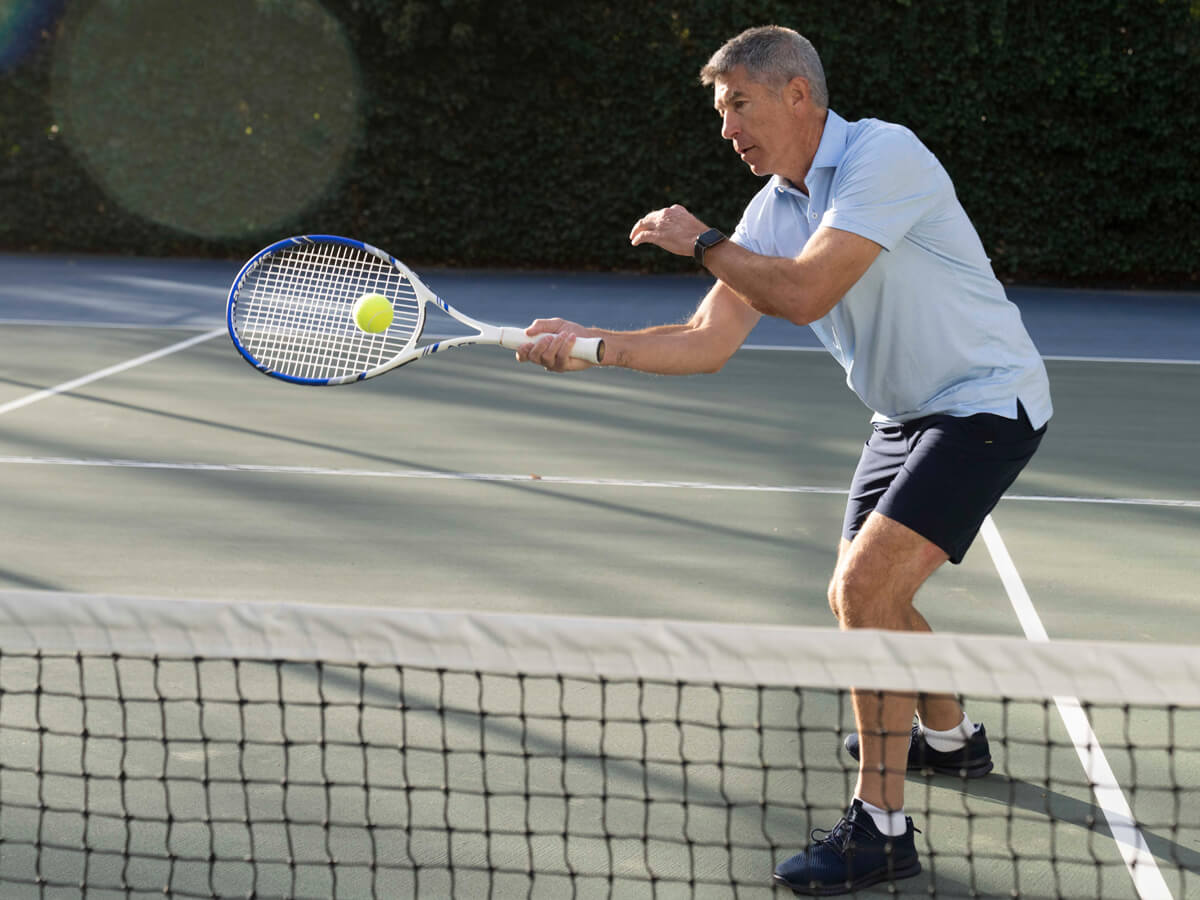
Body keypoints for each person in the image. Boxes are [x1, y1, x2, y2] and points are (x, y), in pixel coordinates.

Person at [515, 24, 1051, 896]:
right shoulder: (772, 210)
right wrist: (589, 345)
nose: (728, 130)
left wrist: (701, 240)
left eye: (739, 105)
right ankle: (951, 738)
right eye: (721, 113)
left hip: (984, 402)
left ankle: (880, 831)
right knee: (864, 596)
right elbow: (706, 339)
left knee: (864, 592)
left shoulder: (885, 156)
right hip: (901, 415)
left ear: (798, 94)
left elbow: (804, 294)